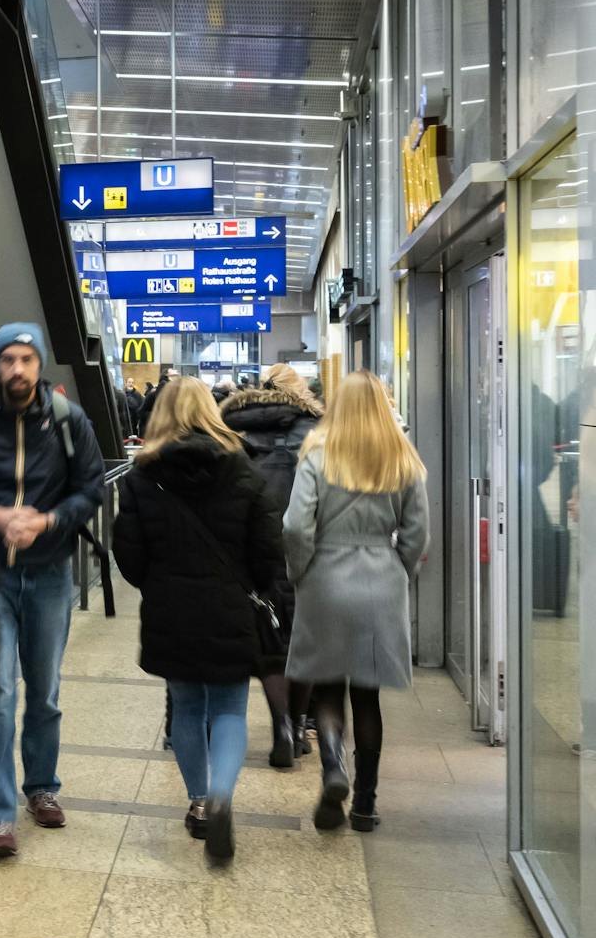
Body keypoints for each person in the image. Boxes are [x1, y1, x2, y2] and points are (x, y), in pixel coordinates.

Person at [0, 323, 104, 858]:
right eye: (8, 359)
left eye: (26, 359)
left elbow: (92, 489)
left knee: (45, 691)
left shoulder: (67, 420)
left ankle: (41, 786)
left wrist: (49, 521)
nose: (17, 369)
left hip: (50, 574)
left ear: (40, 365)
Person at [111, 379, 284, 865]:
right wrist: (257, 589)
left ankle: (201, 801)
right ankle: (224, 795)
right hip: (230, 604)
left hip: (172, 605)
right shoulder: (244, 470)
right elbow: (269, 550)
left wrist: (159, 584)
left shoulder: (142, 477)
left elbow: (128, 555)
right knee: (229, 707)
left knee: (186, 706)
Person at [285, 372, 430, 835]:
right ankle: (365, 805)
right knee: (368, 696)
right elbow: (416, 533)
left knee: (328, 687)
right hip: (381, 580)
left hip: (325, 576)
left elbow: (294, 526)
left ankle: (333, 769)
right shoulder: (402, 457)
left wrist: (300, 572)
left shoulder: (316, 454)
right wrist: (398, 572)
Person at [220, 364, 323, 765]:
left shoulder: (233, 429)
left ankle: (281, 723)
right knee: (306, 641)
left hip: (252, 548)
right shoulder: (319, 430)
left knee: (269, 640)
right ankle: (298, 726)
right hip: (310, 547)